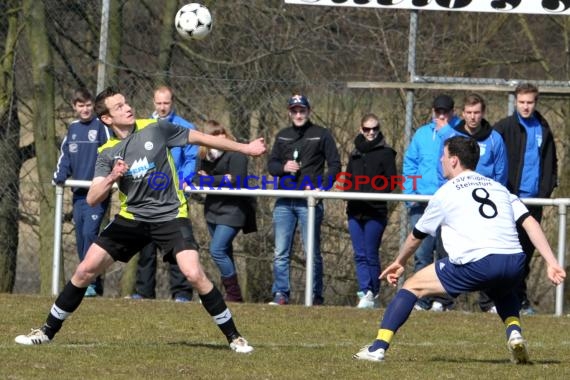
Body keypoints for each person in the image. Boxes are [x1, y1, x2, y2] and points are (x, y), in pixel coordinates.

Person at [15, 87, 265, 353]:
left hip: (170, 215)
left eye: (126, 103)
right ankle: (46, 331)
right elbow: (92, 198)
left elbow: (202, 138)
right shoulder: (108, 152)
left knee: (193, 273)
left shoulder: (156, 128)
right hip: (131, 218)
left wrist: (245, 148)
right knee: (84, 270)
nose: (127, 108)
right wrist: (112, 177)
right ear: (107, 119)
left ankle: (234, 337)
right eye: (119, 107)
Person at [353, 135, 566, 364]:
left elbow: (417, 236)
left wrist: (400, 261)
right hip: (514, 262)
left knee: (412, 286)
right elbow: (530, 222)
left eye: (443, 156)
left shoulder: (446, 192)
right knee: (502, 289)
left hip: (478, 264)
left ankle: (377, 348)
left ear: (454, 160)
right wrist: (551, 262)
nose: (441, 160)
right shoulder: (498, 188)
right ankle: (514, 333)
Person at [266, 93, 341, 305]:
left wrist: (321, 188)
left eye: (302, 110)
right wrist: (283, 168)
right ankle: (281, 294)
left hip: (310, 202)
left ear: (308, 111)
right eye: (294, 111)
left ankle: (315, 296)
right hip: (284, 201)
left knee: (312, 252)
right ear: (289, 112)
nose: (298, 114)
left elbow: (335, 165)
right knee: (280, 251)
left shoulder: (322, 134)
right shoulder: (282, 135)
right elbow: (271, 165)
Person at [493, 83, 558, 315]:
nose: (526, 106)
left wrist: (547, 188)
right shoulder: (503, 128)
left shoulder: (543, 127)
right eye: (522, 102)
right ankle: (494, 300)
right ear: (515, 102)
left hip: (533, 203)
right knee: (505, 251)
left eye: (529, 102)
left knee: (526, 253)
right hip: (508, 200)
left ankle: (518, 299)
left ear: (535, 102)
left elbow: (551, 162)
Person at [129, 85, 197, 302]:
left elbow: (191, 158)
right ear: (153, 102)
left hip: (173, 197)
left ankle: (182, 293)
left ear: (172, 102)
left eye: (166, 103)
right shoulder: (141, 127)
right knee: (145, 246)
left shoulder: (185, 127)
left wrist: (184, 179)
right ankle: (143, 292)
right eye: (158, 103)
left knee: (177, 245)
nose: (162, 107)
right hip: (146, 195)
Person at [402, 94, 460, 311]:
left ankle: (443, 301)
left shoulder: (456, 134)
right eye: (438, 111)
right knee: (422, 254)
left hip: (449, 204)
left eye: (446, 112)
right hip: (422, 203)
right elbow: (410, 165)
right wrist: (410, 195)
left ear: (452, 112)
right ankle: (422, 300)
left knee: (446, 255)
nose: (441, 116)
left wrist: (446, 132)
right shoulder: (422, 134)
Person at [53, 87, 112, 297]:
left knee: (90, 233)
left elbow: (110, 152)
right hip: (78, 194)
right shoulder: (73, 129)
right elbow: (66, 156)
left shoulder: (101, 127)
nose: (85, 109)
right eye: (81, 105)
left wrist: (107, 178)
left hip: (97, 193)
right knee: (80, 237)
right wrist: (60, 174)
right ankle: (88, 279)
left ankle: (90, 281)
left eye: (88, 105)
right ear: (74, 107)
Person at [452, 93, 508, 313]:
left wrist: (493, 197)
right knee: (452, 249)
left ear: (483, 113)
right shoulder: (452, 135)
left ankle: (488, 301)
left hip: (484, 206)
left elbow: (501, 173)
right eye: (469, 112)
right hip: (458, 203)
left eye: (477, 112)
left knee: (487, 252)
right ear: (463, 113)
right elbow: (443, 167)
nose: (473, 117)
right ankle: (445, 301)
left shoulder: (494, 139)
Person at [195, 120, 257, 303]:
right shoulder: (203, 156)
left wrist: (210, 179)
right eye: (213, 135)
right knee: (225, 252)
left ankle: (234, 294)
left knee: (217, 250)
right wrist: (223, 178)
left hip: (233, 210)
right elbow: (196, 180)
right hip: (212, 210)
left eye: (221, 133)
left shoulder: (236, 154)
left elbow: (238, 180)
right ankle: (232, 297)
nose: (219, 137)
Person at [345, 113, 397, 309]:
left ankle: (372, 292)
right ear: (361, 129)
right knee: (359, 253)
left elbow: (391, 182)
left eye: (375, 128)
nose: (371, 132)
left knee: (370, 252)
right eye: (367, 129)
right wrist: (350, 194)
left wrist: (370, 192)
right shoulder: (355, 153)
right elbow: (348, 180)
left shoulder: (386, 153)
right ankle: (364, 290)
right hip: (355, 210)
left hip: (375, 210)